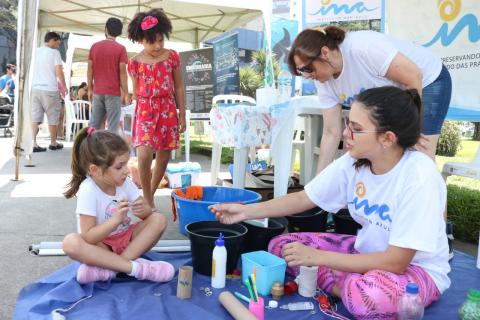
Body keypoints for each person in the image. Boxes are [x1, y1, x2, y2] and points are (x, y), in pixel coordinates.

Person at [210, 86, 450, 319]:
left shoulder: (419, 176)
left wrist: (317, 257)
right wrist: (244, 212)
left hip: (414, 272)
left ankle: (337, 284)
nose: (346, 133)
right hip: (364, 253)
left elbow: (396, 262)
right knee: (281, 246)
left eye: (356, 128)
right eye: (348, 124)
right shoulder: (355, 160)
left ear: (387, 138)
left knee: (366, 297)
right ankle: (342, 281)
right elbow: (305, 197)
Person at [288, 26, 452, 174]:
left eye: (307, 68)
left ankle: (434, 206)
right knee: (378, 152)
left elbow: (414, 76)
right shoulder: (323, 81)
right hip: (396, 93)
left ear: (324, 53)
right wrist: (319, 181)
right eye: (301, 72)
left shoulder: (362, 47)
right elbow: (331, 132)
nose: (307, 76)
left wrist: (411, 129)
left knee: (420, 152)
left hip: (427, 80)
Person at [62, 127, 174, 284]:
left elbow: (147, 216)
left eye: (126, 164)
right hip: (101, 247)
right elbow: (88, 236)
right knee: (71, 243)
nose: (126, 171)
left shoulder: (125, 184)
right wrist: (114, 221)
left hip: (127, 243)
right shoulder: (88, 190)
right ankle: (136, 269)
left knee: (159, 219)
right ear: (95, 170)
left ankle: (111, 268)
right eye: (119, 167)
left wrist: (145, 209)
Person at [127, 9, 186, 209]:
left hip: (167, 108)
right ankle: (147, 195)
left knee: (163, 156)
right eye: (152, 41)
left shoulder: (172, 57)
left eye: (161, 40)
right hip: (144, 109)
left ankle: (149, 195)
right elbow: (135, 92)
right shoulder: (134, 63)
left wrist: (182, 114)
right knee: (143, 154)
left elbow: (178, 86)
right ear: (140, 40)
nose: (157, 46)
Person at [88, 17, 130, 133]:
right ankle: (110, 150)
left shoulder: (94, 46)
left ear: (106, 29)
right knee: (112, 125)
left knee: (94, 124)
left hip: (97, 91)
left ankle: (91, 148)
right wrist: (126, 93)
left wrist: (90, 88)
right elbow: (123, 73)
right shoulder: (121, 49)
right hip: (113, 92)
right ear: (119, 32)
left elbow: (90, 69)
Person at [31, 32, 67, 152]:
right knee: (53, 116)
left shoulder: (35, 51)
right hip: (50, 89)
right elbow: (59, 72)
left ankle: (33, 143)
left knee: (35, 117)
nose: (58, 45)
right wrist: (64, 86)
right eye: (57, 43)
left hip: (35, 89)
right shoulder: (54, 53)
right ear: (52, 40)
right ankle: (53, 142)